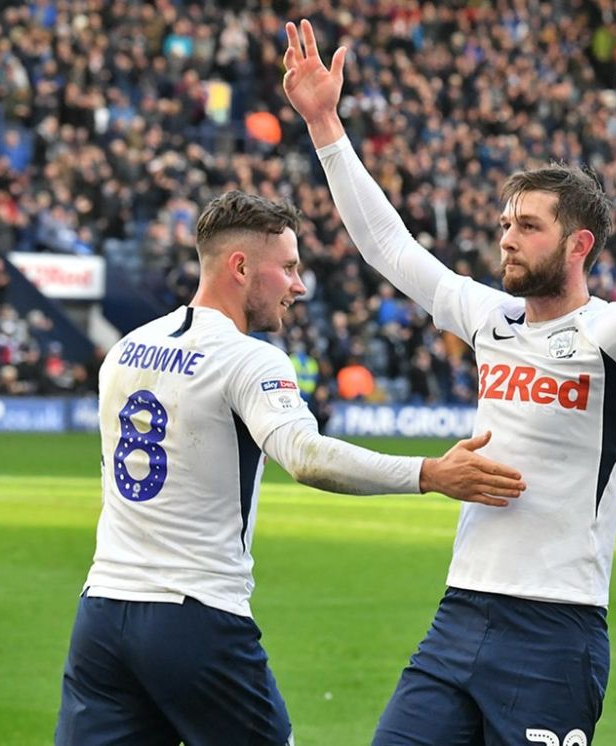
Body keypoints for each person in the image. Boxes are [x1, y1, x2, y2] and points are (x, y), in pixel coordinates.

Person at [283, 21, 616, 744]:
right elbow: (388, 245)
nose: (507, 237)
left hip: (556, 628)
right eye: (506, 222)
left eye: (529, 227)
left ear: (579, 245)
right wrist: (325, 124)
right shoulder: (492, 318)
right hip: (460, 615)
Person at [54, 191, 526, 746]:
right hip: (194, 615)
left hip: (102, 613)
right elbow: (306, 456)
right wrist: (428, 473)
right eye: (288, 268)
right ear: (240, 268)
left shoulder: (126, 349)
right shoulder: (248, 358)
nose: (299, 286)